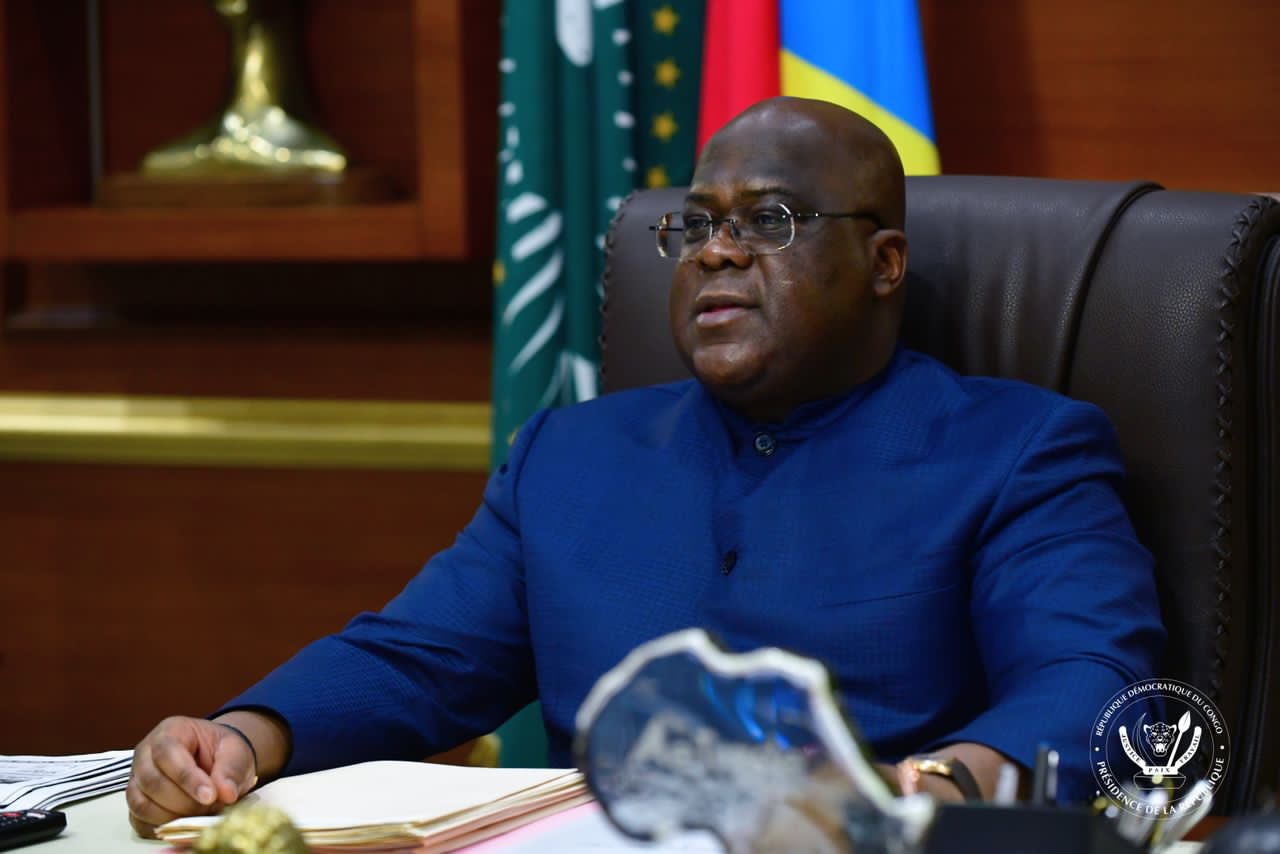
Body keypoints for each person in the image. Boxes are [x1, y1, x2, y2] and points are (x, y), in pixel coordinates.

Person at [126, 97, 1164, 836]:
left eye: (768, 221)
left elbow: (1096, 682)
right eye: (696, 224)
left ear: (883, 262)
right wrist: (244, 735)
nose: (715, 251)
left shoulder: (1019, 448)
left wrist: (940, 788)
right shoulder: (569, 456)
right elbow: (419, 658)